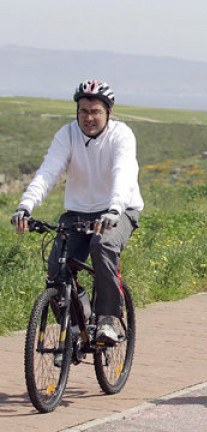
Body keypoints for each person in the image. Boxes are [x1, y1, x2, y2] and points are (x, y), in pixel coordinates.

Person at [10, 80, 142, 345]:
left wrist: (114, 208)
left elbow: (123, 173)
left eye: (95, 111)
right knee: (57, 270)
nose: (89, 118)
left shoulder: (121, 135)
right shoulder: (67, 134)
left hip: (119, 208)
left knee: (102, 245)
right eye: (83, 111)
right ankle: (77, 325)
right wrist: (25, 205)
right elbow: (48, 172)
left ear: (109, 113)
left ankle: (106, 319)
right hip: (78, 211)